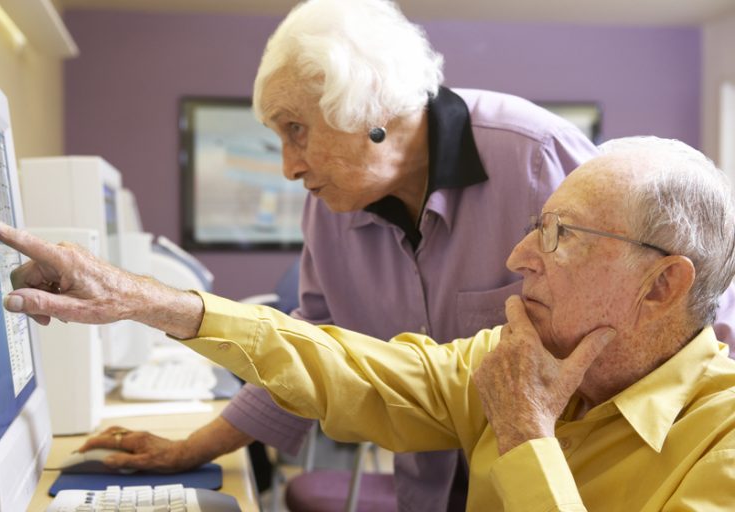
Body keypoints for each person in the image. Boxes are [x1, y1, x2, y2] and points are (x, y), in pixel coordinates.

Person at [0, 136, 735, 510]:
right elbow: (355, 369)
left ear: (663, 284)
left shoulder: (722, 445)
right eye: (538, 227)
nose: (519, 255)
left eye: (562, 236)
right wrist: (149, 300)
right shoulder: (523, 362)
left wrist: (529, 438)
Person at [85, 0, 603, 509]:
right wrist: (188, 450)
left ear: (371, 111)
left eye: (297, 130)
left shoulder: (540, 157)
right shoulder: (331, 209)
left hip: (560, 487)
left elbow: (633, 336)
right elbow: (307, 353)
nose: (288, 167)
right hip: (427, 490)